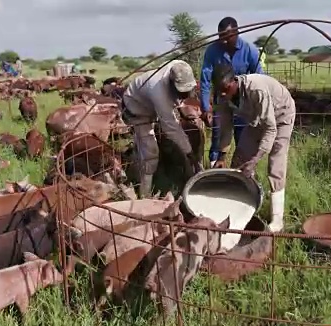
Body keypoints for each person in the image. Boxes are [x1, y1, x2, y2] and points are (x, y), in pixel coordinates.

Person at [212, 63, 295, 232]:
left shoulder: (256, 89)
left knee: (275, 164)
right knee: (240, 158)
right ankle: (247, 204)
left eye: (226, 89)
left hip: (281, 115)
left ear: (234, 81)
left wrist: (256, 159)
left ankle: (277, 221)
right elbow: (226, 127)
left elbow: (271, 128)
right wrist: (221, 156)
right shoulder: (222, 97)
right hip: (257, 118)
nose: (222, 93)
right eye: (219, 89)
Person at [122, 60, 201, 197]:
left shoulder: (180, 66)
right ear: (171, 84)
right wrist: (189, 152)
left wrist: (181, 107)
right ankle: (145, 194)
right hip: (136, 109)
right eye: (181, 92)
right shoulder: (158, 91)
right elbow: (171, 127)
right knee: (150, 153)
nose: (185, 95)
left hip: (150, 105)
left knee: (159, 144)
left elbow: (178, 100)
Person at [200, 16, 263, 168]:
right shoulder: (212, 51)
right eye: (220, 37)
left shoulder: (250, 51)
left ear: (237, 33)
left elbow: (260, 79)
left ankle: (242, 171)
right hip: (221, 100)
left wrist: (257, 106)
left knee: (243, 137)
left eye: (227, 37)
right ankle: (215, 169)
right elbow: (205, 79)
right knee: (218, 135)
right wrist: (205, 106)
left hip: (243, 102)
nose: (223, 41)